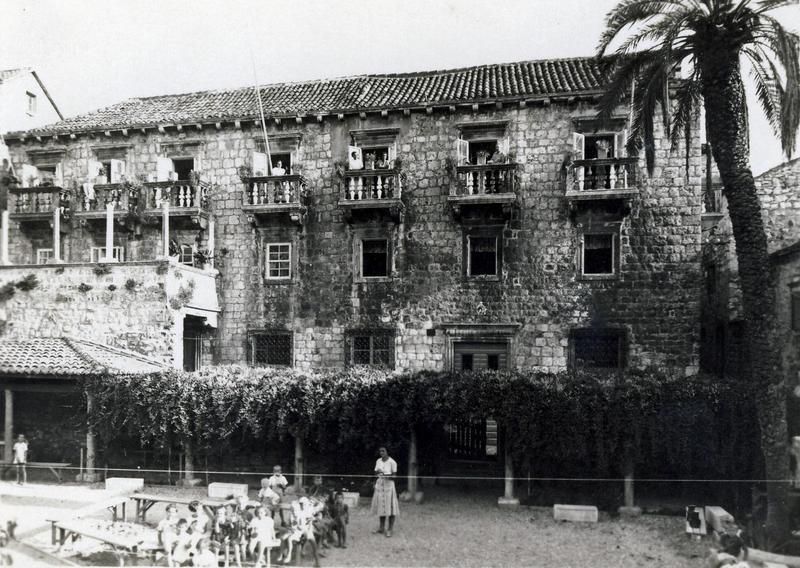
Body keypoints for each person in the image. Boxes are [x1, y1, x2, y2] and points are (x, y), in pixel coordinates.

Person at [371, 446, 399, 537]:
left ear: (387, 452)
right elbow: (375, 473)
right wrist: (378, 474)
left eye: (383, 451)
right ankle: (381, 528)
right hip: (380, 486)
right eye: (380, 451)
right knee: (381, 507)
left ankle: (390, 529)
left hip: (389, 487)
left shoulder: (392, 462)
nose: (381, 452)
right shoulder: (378, 461)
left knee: (391, 508)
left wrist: (385, 475)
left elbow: (394, 477)